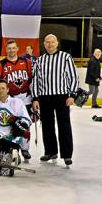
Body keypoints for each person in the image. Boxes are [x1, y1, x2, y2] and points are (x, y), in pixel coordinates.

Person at [32, 34, 78, 166]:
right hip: (45, 97)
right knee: (47, 125)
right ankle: (50, 151)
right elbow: (36, 80)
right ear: (44, 44)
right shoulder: (40, 60)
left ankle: (67, 154)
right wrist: (35, 98)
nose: (50, 44)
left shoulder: (65, 57)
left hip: (62, 96)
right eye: (47, 42)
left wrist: (72, 95)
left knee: (64, 125)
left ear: (57, 43)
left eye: (52, 42)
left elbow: (73, 77)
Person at [0, 80, 32, 168]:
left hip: (13, 133)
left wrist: (17, 123)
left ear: (7, 89)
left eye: (3, 88)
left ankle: (23, 150)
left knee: (25, 135)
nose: (0, 91)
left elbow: (27, 120)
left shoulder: (17, 102)